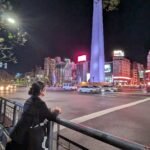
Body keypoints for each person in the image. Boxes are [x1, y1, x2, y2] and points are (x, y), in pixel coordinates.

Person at [6, 81, 61, 150]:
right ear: (41, 91)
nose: (46, 91)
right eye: (45, 89)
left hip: (18, 133)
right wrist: (57, 110)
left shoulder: (29, 100)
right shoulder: (40, 103)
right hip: (26, 136)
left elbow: (34, 114)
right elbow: (51, 117)